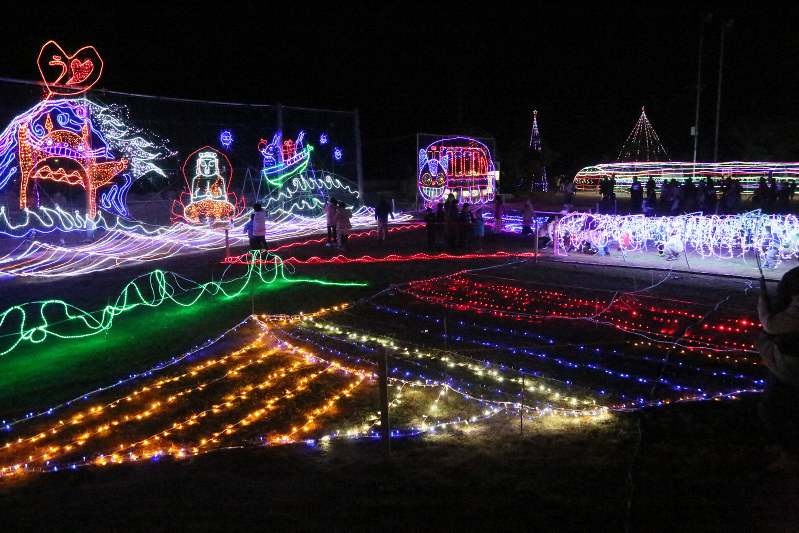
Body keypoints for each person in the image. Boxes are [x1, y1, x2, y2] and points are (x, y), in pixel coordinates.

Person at [756, 267, 799, 470]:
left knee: (771, 409)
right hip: (790, 358)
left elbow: (772, 326)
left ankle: (789, 453)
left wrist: (763, 307)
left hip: (791, 362)